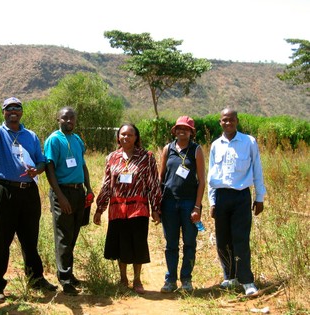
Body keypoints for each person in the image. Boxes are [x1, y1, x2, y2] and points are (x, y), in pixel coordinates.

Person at [0, 95, 57, 303]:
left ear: (22, 112)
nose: (13, 111)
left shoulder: (30, 136)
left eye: (17, 108)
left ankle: (36, 278)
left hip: (29, 192)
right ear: (3, 112)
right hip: (5, 192)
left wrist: (37, 171)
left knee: (30, 239)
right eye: (9, 108)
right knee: (1, 240)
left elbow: (42, 161)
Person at [94, 123, 161, 295]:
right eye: (123, 134)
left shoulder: (146, 157)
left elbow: (153, 184)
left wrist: (155, 208)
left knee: (138, 243)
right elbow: (107, 184)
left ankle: (137, 279)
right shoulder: (111, 157)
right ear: (118, 137)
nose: (126, 137)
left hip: (138, 208)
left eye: (130, 135)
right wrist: (100, 208)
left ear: (136, 137)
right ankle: (123, 278)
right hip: (117, 208)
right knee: (121, 243)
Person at [208, 108, 266, 296]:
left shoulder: (248, 142)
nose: (228, 123)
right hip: (222, 197)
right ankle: (229, 277)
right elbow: (211, 175)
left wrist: (259, 197)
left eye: (231, 120)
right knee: (223, 239)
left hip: (241, 196)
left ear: (237, 121)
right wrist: (212, 201)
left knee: (240, 239)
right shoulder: (216, 145)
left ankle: (247, 281)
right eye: (224, 120)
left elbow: (257, 169)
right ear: (220, 122)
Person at [44, 106, 94, 296]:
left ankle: (68, 273)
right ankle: (65, 280)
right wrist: (60, 196)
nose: (69, 121)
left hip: (78, 192)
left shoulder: (77, 139)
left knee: (73, 234)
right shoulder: (53, 140)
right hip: (62, 192)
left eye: (72, 118)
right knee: (63, 237)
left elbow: (83, 165)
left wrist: (88, 188)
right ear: (58, 119)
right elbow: (49, 169)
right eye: (65, 118)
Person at [159, 116, 206, 293]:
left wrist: (197, 206)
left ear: (191, 132)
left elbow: (201, 181)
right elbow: (161, 177)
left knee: (189, 243)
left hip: (189, 203)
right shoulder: (167, 149)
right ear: (174, 130)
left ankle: (186, 279)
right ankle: (170, 280)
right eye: (179, 128)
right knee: (171, 244)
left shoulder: (196, 150)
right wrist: (157, 204)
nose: (181, 131)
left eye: (185, 129)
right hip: (169, 202)